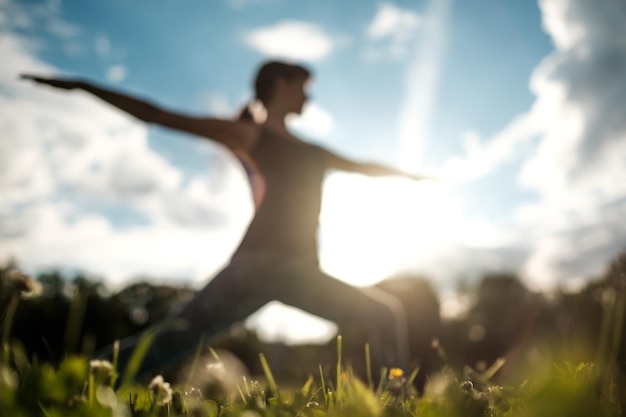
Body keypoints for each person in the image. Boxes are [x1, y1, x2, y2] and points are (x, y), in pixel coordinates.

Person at [22, 61, 426, 376]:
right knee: (168, 341)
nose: (309, 98)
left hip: (295, 270)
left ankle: (394, 398)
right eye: (304, 88)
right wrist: (83, 86)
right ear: (280, 85)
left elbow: (364, 165)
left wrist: (411, 175)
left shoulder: (315, 151)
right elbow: (158, 115)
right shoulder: (252, 136)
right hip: (260, 266)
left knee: (384, 315)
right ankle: (68, 384)